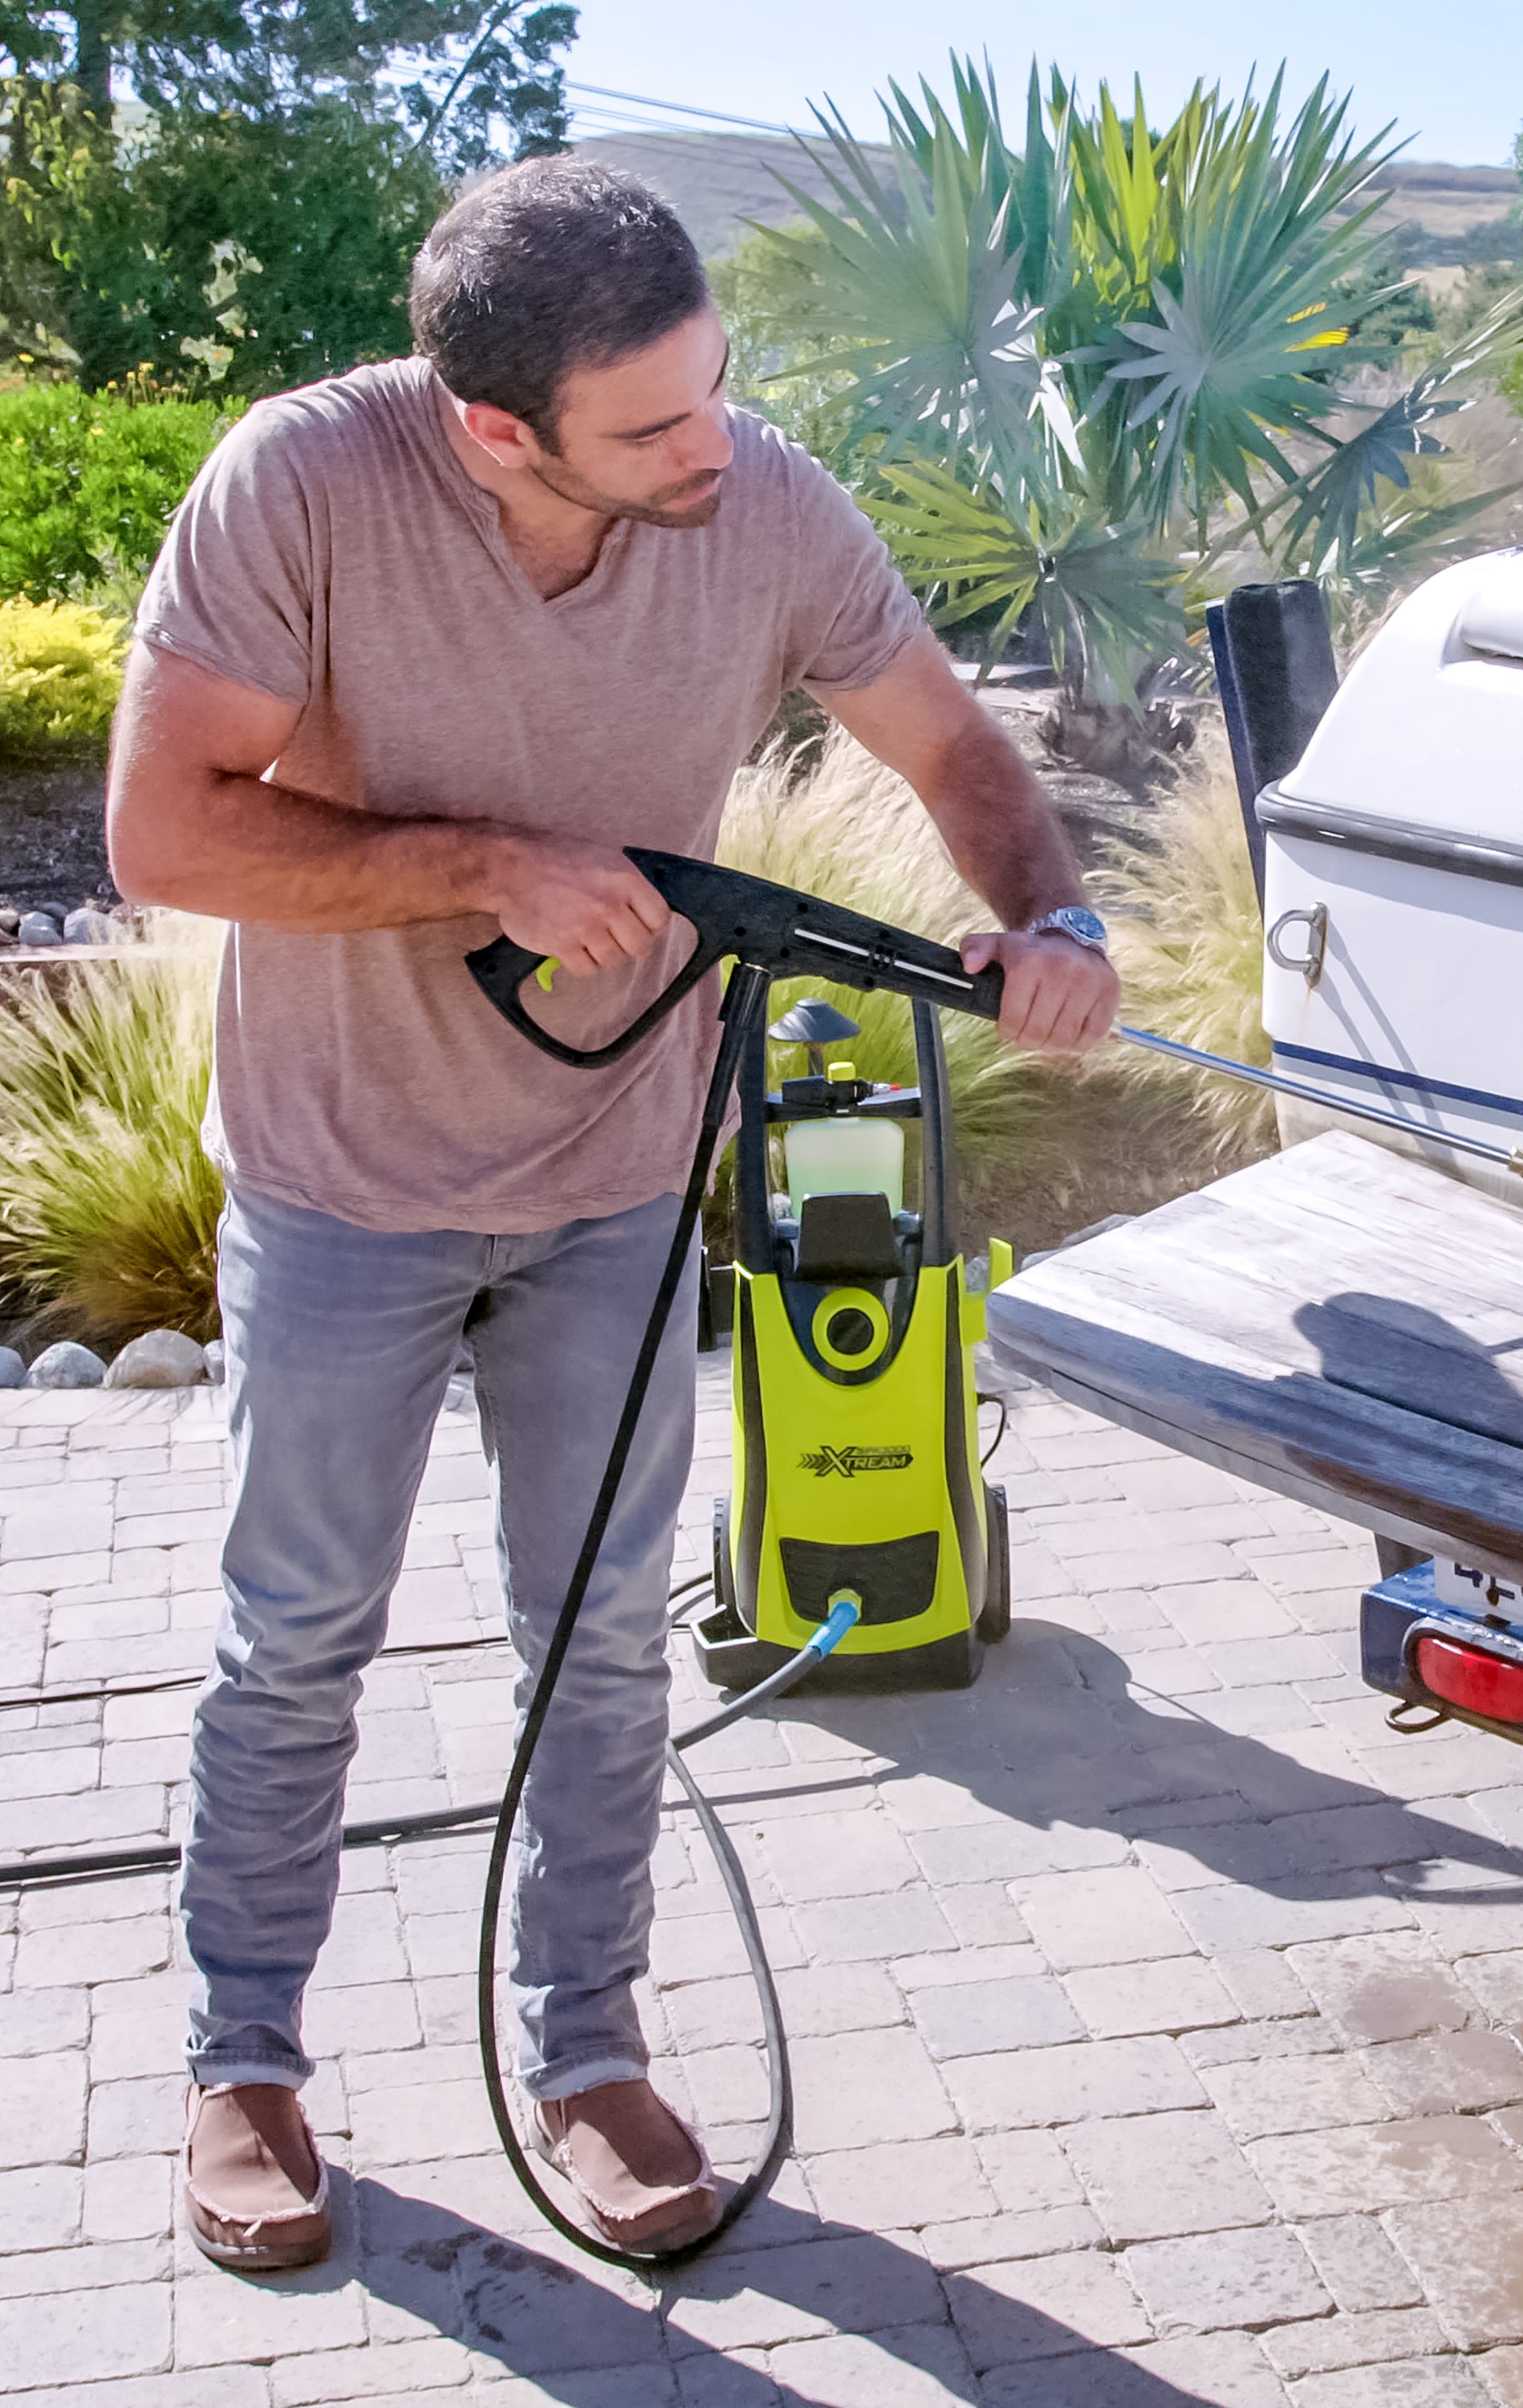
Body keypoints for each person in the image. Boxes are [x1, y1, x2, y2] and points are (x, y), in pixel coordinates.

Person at [108, 157, 1119, 2270]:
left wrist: (1053, 910)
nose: (713, 447)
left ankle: (589, 2058)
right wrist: (480, 866)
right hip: (344, 1175)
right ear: (495, 427)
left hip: (613, 1186)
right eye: (653, 425)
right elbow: (162, 835)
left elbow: (950, 748)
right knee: (297, 1636)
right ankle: (247, 2067)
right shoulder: (303, 488)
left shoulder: (757, 502)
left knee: (595, 1643)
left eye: (717, 390)